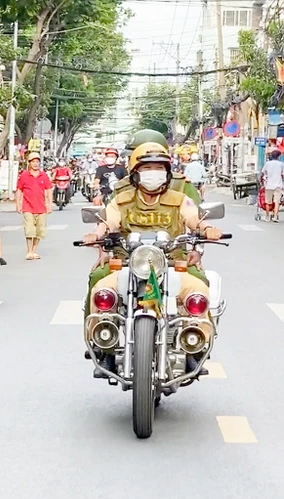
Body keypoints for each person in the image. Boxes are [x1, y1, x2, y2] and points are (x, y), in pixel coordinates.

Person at [81, 142, 223, 373]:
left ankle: (195, 348)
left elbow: (194, 218)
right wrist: (95, 235)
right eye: (147, 169)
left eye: (159, 169)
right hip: (128, 263)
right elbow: (107, 221)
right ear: (136, 173)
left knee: (199, 289)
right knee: (100, 288)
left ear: (167, 174)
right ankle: (102, 347)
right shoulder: (122, 199)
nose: (153, 174)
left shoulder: (179, 199)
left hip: (173, 263)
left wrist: (207, 229)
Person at [111, 129, 201, 205]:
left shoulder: (180, 185)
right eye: (129, 158)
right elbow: (108, 221)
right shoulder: (122, 187)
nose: (130, 162)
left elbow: (196, 218)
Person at [15, 151, 53, 260]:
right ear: (29, 163)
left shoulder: (43, 175)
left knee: (39, 231)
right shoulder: (24, 175)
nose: (35, 164)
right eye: (33, 162)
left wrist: (49, 205)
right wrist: (18, 204)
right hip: (28, 207)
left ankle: (34, 251)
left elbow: (49, 190)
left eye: (37, 162)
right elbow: (19, 190)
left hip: (41, 208)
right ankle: (29, 251)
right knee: (29, 229)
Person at [261, 149, 284, 222]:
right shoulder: (281, 164)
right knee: (277, 202)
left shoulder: (267, 163)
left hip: (269, 185)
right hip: (278, 185)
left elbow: (262, 173)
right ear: (278, 157)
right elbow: (283, 175)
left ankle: (267, 216)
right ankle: (275, 216)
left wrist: (261, 181)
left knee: (268, 202)